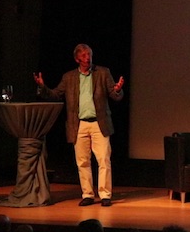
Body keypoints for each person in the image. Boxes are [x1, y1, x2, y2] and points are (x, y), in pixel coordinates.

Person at [34, 43, 124, 207]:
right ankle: (88, 194)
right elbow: (55, 94)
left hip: (99, 123)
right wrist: (42, 87)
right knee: (82, 161)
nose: (87, 58)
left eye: (89, 54)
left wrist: (117, 89)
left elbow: (115, 95)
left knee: (104, 159)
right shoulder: (69, 77)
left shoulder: (103, 72)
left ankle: (105, 195)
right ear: (77, 59)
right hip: (79, 125)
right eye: (83, 56)